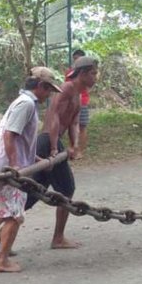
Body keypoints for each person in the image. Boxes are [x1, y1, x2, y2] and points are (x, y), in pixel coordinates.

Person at [0, 67, 62, 273]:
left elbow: (21, 139)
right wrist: (15, 164)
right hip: (7, 165)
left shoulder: (26, 104)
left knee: (7, 210)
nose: (49, 95)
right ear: (40, 86)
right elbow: (10, 135)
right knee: (14, 213)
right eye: (48, 90)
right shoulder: (26, 104)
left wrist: (34, 158)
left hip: (4, 162)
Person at [25, 56, 99, 249]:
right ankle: (58, 238)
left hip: (53, 140)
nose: (96, 77)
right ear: (82, 73)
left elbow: (74, 122)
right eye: (93, 73)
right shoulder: (67, 88)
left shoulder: (79, 94)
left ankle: (2, 231)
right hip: (47, 140)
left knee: (35, 190)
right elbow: (55, 115)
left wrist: (75, 146)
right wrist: (54, 145)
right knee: (66, 189)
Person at [65, 49, 92, 156]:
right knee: (71, 125)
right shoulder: (69, 72)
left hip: (83, 101)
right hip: (71, 101)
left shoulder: (88, 73)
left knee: (82, 126)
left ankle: (80, 150)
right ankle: (73, 148)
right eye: (75, 59)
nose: (76, 61)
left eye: (78, 59)